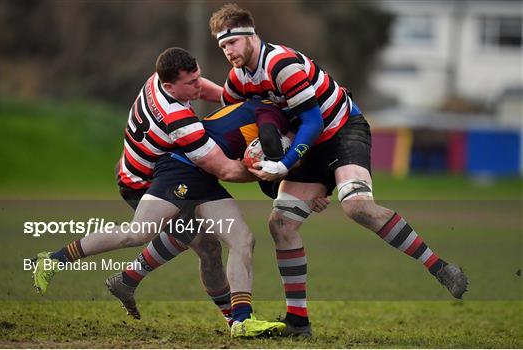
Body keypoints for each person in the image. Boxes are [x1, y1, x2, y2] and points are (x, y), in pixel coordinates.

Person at [209, 4, 469, 337]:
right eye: (222, 46)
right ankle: (298, 322)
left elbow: (314, 120)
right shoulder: (236, 83)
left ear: (250, 35)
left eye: (232, 42)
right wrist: (280, 179)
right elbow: (249, 136)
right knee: (281, 223)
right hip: (306, 146)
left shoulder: (281, 64)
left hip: (342, 129)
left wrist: (287, 165)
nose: (228, 51)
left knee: (356, 206)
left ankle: (440, 267)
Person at [32, 47, 285, 338]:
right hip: (143, 183)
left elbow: (204, 90)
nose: (197, 86)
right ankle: (55, 259)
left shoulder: (159, 78)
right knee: (143, 233)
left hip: (162, 170)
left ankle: (239, 320)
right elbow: (225, 170)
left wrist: (240, 100)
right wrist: (267, 169)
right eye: (190, 83)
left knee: (220, 244)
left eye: (197, 77)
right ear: (169, 86)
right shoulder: (179, 121)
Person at [105, 98, 330, 322]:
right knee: (203, 242)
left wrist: (306, 194)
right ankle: (237, 319)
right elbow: (264, 158)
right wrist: (287, 166)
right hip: (169, 169)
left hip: (191, 172)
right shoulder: (270, 121)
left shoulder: (265, 122)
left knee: (202, 242)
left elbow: (267, 181)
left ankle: (128, 279)